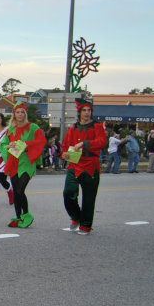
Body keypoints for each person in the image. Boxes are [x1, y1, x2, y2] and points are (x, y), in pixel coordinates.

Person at [0, 102, 46, 228]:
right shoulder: (11, 129)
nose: (20, 114)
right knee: (17, 192)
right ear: (14, 114)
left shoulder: (33, 127)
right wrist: (9, 146)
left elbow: (41, 141)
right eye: (17, 112)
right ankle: (18, 217)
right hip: (14, 162)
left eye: (22, 112)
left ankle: (27, 215)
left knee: (19, 189)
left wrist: (25, 144)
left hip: (27, 162)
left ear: (25, 114)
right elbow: (3, 144)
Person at [61, 97, 107, 235]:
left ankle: (86, 225)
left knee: (88, 198)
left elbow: (102, 142)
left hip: (90, 166)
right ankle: (76, 217)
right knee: (68, 192)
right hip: (74, 165)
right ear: (79, 112)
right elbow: (66, 145)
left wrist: (84, 143)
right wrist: (64, 154)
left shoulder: (97, 126)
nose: (87, 113)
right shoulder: (73, 128)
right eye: (84, 110)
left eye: (89, 110)